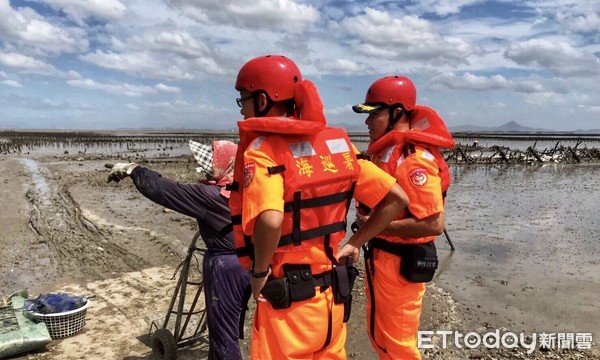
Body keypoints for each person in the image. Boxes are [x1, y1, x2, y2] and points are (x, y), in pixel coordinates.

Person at [228, 55, 410, 359]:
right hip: (333, 299)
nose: (242, 108)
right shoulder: (339, 146)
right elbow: (397, 198)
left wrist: (259, 273)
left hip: (287, 303)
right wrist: (355, 243)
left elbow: (271, 220)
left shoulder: (263, 151)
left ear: (262, 101)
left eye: (243, 99)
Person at [337, 75, 455, 359]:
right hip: (381, 259)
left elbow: (433, 223)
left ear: (397, 113)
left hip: (402, 264)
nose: (367, 122)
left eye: (374, 114)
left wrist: (374, 227)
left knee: (399, 345)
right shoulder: (387, 152)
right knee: (380, 337)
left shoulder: (414, 160)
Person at [106, 140, 251, 360]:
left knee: (223, 332)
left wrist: (133, 170)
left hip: (225, 267)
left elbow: (165, 190)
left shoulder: (211, 197)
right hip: (246, 262)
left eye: (213, 163)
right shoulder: (244, 190)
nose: (207, 169)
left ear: (226, 164)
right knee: (228, 325)